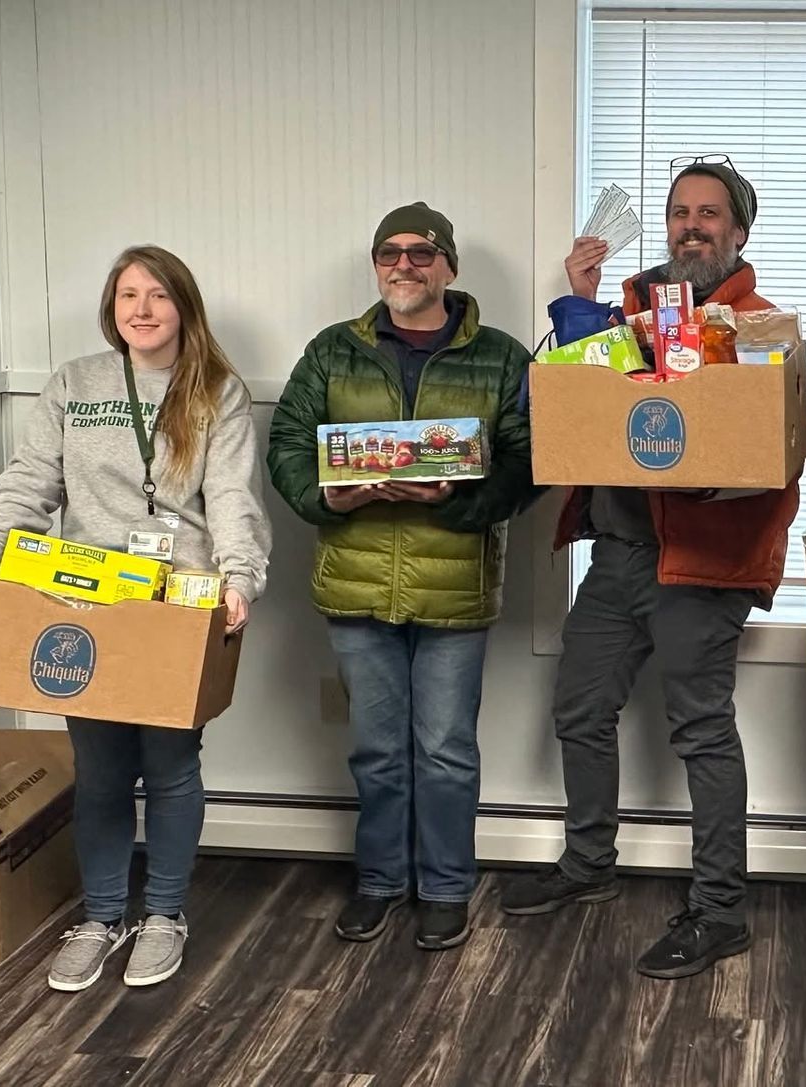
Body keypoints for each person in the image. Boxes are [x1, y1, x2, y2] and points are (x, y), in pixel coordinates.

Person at [500, 158, 798, 981]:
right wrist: (578, 302)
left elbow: (776, 458)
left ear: (739, 231)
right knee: (580, 708)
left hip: (703, 564)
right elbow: (564, 407)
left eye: (709, 213)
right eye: (678, 212)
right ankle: (589, 862)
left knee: (702, 730)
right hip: (618, 551)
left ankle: (719, 910)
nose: (690, 225)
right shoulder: (622, 317)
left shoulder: (764, 328)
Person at [0, 245, 272, 992]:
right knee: (99, 771)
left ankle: (164, 913)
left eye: (158, 294)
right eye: (127, 294)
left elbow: (230, 493)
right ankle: (101, 916)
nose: (142, 308)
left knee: (170, 766)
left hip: (178, 601)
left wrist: (239, 575)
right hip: (86, 600)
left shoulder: (215, 390)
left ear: (183, 306)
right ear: (112, 308)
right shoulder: (76, 382)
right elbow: (32, 477)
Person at [267, 202, 542, 951]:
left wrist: (463, 502)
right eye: (390, 252)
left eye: (422, 253)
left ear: (450, 265)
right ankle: (381, 881)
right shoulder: (333, 351)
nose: (404, 265)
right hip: (355, 584)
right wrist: (330, 494)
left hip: (454, 586)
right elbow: (288, 441)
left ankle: (446, 886)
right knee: (376, 749)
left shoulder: (503, 356)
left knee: (448, 748)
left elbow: (531, 460)